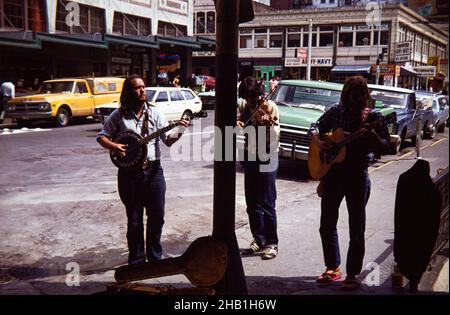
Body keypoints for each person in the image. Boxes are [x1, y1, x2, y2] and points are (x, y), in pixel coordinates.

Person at [97, 74, 190, 265]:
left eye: (144, 87)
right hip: (129, 174)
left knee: (157, 216)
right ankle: (137, 260)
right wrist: (114, 147)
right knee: (134, 220)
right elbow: (102, 136)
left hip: (154, 171)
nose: (142, 91)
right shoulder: (119, 115)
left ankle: (155, 257)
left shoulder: (155, 113)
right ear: (129, 92)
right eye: (138, 88)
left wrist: (180, 129)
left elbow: (168, 141)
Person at [309, 76, 390, 290]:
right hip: (333, 175)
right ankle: (333, 267)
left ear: (364, 96)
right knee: (326, 223)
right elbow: (314, 127)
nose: (353, 101)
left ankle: (352, 273)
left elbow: (386, 146)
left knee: (357, 226)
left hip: (357, 176)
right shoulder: (336, 111)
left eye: (357, 97)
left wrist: (371, 134)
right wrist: (319, 142)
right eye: (350, 96)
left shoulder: (373, 116)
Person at [237, 76, 280, 260]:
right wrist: (237, 123)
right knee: (252, 202)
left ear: (258, 94)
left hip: (267, 155)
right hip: (250, 155)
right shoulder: (244, 107)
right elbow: (238, 120)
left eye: (252, 97)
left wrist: (266, 123)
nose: (250, 101)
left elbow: (275, 134)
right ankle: (258, 239)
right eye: (247, 97)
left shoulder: (269, 107)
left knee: (267, 202)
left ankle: (272, 243)